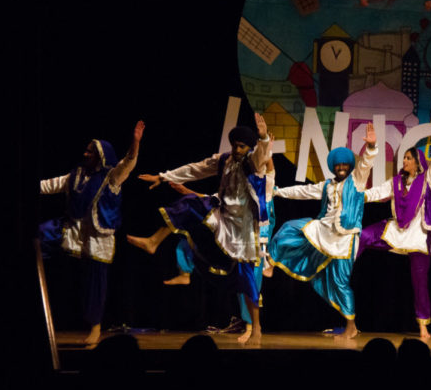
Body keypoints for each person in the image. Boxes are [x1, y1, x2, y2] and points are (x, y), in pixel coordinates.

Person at [126, 113, 271, 345]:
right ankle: (153, 241)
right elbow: (195, 169)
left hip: (242, 229)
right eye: (234, 145)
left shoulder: (253, 164)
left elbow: (263, 155)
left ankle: (257, 328)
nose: (236, 149)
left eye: (242, 146)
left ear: (249, 148)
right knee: (189, 204)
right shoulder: (224, 160)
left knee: (246, 279)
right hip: (222, 216)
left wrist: (263, 138)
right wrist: (163, 177)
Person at [267, 123, 378, 340]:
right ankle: (271, 262)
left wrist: (372, 146)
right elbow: (303, 191)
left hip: (345, 238)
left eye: (346, 164)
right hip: (324, 228)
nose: (342, 167)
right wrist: (278, 192)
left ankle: (351, 326)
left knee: (340, 282)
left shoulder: (357, 181)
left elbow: (366, 163)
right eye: (338, 165)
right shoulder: (326, 185)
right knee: (291, 227)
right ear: (334, 167)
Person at [39, 121, 145, 344]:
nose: (85, 153)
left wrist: (135, 143)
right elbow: (49, 185)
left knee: (94, 284)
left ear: (101, 156)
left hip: (99, 238)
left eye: (90, 151)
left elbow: (128, 163)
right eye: (86, 150)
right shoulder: (76, 175)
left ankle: (95, 329)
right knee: (39, 237)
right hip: (73, 230)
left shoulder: (112, 177)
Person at [358, 121, 431, 340]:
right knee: (363, 235)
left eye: (409, 158)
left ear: (418, 162)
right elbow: (375, 193)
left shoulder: (427, 179)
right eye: (405, 158)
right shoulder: (396, 182)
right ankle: (344, 264)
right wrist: (357, 196)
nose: (405, 160)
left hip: (418, 236)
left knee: (420, 282)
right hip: (396, 230)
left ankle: (423, 327)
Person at [162, 157, 276, 335]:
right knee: (188, 235)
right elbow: (209, 199)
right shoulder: (231, 192)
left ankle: (250, 326)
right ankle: (185, 271)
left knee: (249, 283)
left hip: (254, 245)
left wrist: (266, 152)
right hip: (231, 240)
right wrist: (186, 191)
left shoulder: (264, 190)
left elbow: (270, 172)